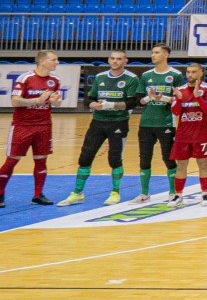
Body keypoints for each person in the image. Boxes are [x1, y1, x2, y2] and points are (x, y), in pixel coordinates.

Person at [58, 51, 143, 207]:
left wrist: (110, 105)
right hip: (97, 122)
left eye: (119, 59)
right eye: (112, 58)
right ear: (108, 60)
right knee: (85, 157)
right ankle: (77, 193)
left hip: (118, 123)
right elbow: (89, 98)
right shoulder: (100, 77)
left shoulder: (131, 79)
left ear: (125, 61)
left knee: (114, 159)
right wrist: (92, 104)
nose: (115, 61)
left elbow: (132, 103)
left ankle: (115, 192)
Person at [0, 50, 61, 207]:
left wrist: (55, 101)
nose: (57, 62)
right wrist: (37, 100)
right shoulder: (25, 78)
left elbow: (57, 102)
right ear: (42, 61)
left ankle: (38, 194)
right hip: (22, 126)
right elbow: (15, 101)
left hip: (44, 125)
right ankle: (0, 193)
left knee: (41, 159)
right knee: (12, 160)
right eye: (54, 60)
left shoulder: (54, 80)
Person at [134, 44, 183, 204]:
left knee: (168, 158)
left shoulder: (175, 75)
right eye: (152, 52)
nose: (153, 55)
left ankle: (172, 191)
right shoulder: (146, 75)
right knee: (144, 158)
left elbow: (180, 100)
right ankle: (144, 193)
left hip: (166, 123)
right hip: (146, 123)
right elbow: (139, 100)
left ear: (166, 55)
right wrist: (150, 98)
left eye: (157, 53)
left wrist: (163, 98)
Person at [168, 63, 207, 201]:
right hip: (183, 134)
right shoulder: (180, 90)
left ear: (201, 73)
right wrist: (179, 99)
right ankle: (178, 195)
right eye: (188, 72)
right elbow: (175, 112)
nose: (190, 75)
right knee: (181, 164)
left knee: (203, 164)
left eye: (193, 72)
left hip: (201, 134)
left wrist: (197, 97)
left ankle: (205, 194)